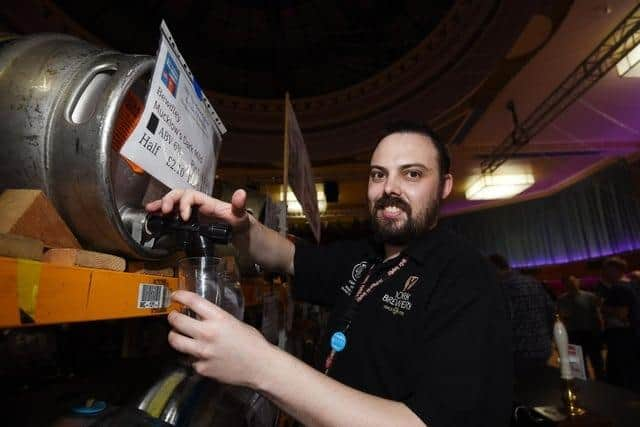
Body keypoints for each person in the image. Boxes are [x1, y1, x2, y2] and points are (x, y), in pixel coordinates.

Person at [147, 121, 513, 426]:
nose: (389, 189)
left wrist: (260, 365)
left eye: (412, 174)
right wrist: (241, 228)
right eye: (378, 175)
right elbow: (289, 256)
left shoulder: (466, 279)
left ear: (445, 186)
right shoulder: (366, 256)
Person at [488, 254, 554, 381]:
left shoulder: (501, 288)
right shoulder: (533, 282)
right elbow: (550, 311)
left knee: (525, 395)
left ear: (493, 268)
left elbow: (503, 323)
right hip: (543, 348)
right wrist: (547, 338)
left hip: (519, 354)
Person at [594, 257, 638, 390]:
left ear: (614, 270)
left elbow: (622, 314)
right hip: (631, 335)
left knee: (620, 374)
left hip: (621, 337)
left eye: (605, 270)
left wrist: (602, 307)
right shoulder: (632, 284)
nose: (603, 273)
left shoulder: (619, 288)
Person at [557, 275, 604, 380]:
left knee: (597, 362)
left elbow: (598, 315)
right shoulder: (561, 299)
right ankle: (584, 384)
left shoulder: (590, 297)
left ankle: (603, 383)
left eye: (573, 282)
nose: (572, 284)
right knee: (578, 364)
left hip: (590, 333)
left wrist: (600, 331)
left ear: (578, 282)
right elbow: (562, 316)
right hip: (573, 334)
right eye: (569, 283)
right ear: (564, 285)